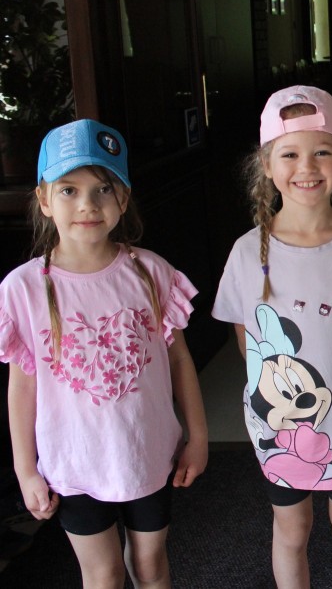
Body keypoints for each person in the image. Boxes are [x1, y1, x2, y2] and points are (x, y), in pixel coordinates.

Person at [212, 86, 332, 589]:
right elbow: (248, 342)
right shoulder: (246, 253)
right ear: (266, 164)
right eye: (290, 154)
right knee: (291, 528)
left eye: (322, 151)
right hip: (276, 427)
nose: (307, 167)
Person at [0, 119, 208, 588]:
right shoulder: (22, 289)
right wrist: (25, 469)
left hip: (148, 454)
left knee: (151, 567)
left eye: (103, 189)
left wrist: (197, 435)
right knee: (103, 574)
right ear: (44, 199)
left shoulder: (151, 272)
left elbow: (179, 361)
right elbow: (22, 386)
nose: (88, 205)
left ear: (124, 198)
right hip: (74, 464)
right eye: (68, 190)